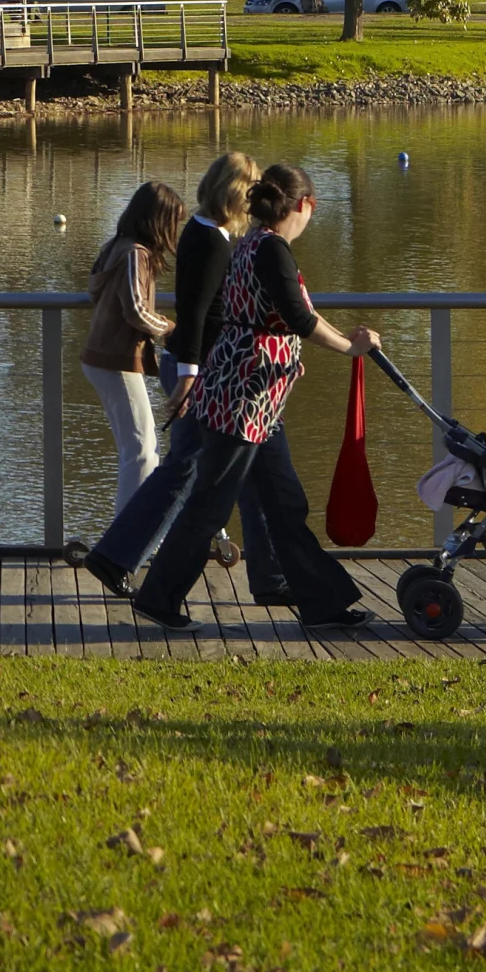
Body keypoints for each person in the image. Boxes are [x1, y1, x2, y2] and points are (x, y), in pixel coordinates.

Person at [111, 162, 377, 628]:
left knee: (284, 501)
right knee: (211, 500)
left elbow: (299, 313)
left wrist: (349, 342)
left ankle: (323, 602)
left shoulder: (253, 243)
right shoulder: (271, 251)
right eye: (311, 210)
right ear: (304, 205)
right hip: (244, 396)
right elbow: (300, 319)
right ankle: (158, 598)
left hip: (254, 398)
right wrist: (350, 348)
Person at [80, 181, 186, 507]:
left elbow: (97, 293)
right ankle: (127, 541)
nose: (174, 232)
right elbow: (137, 310)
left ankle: (128, 537)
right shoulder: (134, 254)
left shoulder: (116, 246)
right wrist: (170, 330)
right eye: (173, 223)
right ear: (157, 220)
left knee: (136, 447)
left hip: (103, 359)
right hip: (115, 360)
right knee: (142, 449)